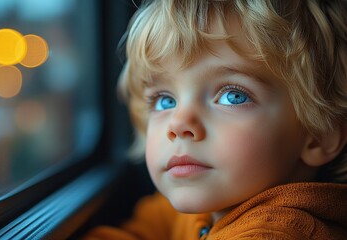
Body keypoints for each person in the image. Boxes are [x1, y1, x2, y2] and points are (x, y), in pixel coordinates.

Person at [84, 0, 347, 239]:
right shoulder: (202, 209)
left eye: (233, 96)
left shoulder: (277, 232)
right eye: (165, 100)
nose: (179, 124)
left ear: (318, 134)